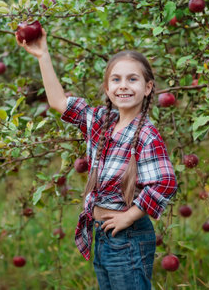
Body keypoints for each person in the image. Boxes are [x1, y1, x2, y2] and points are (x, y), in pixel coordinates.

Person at [17, 27, 178, 290]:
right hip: (103, 235)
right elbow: (59, 102)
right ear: (107, 87)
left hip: (128, 236)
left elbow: (166, 182)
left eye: (132, 79)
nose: (123, 85)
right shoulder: (101, 122)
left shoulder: (147, 135)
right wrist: (42, 55)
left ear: (148, 88)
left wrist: (129, 217)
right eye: (116, 80)